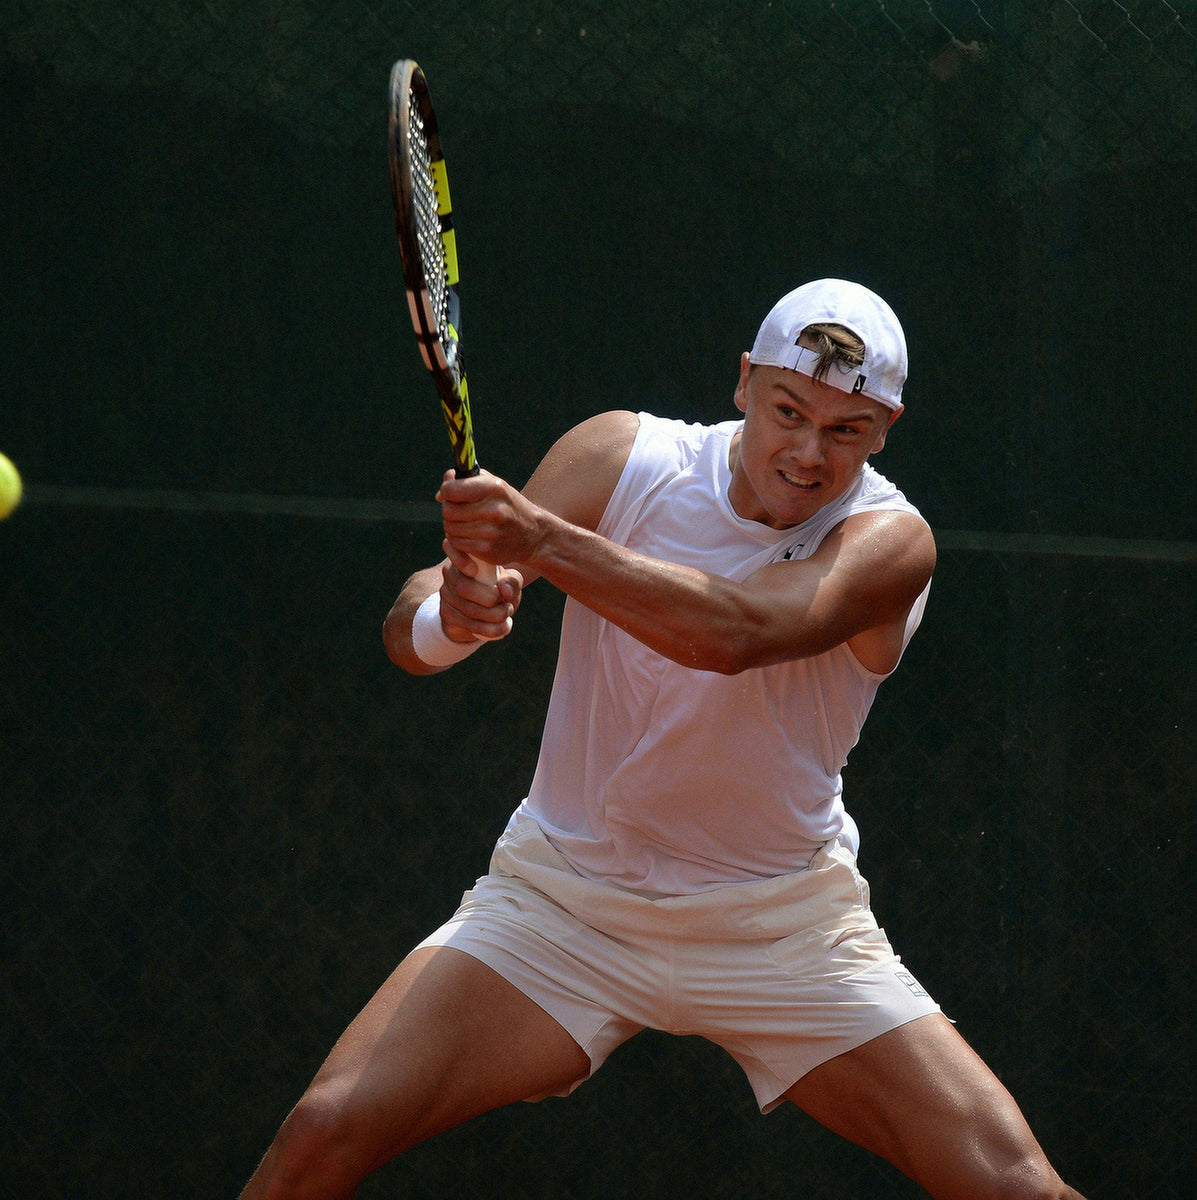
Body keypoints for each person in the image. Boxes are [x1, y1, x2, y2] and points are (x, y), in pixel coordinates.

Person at [240, 279, 1087, 1200]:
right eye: (788, 411)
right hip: (564, 906)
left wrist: (549, 545)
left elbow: (734, 635)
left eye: (845, 430)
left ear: (885, 427)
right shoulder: (623, 455)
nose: (807, 453)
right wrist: (456, 614)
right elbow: (412, 633)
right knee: (322, 1132)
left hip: (780, 929)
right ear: (743, 384)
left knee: (1017, 1188)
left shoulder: (893, 542)